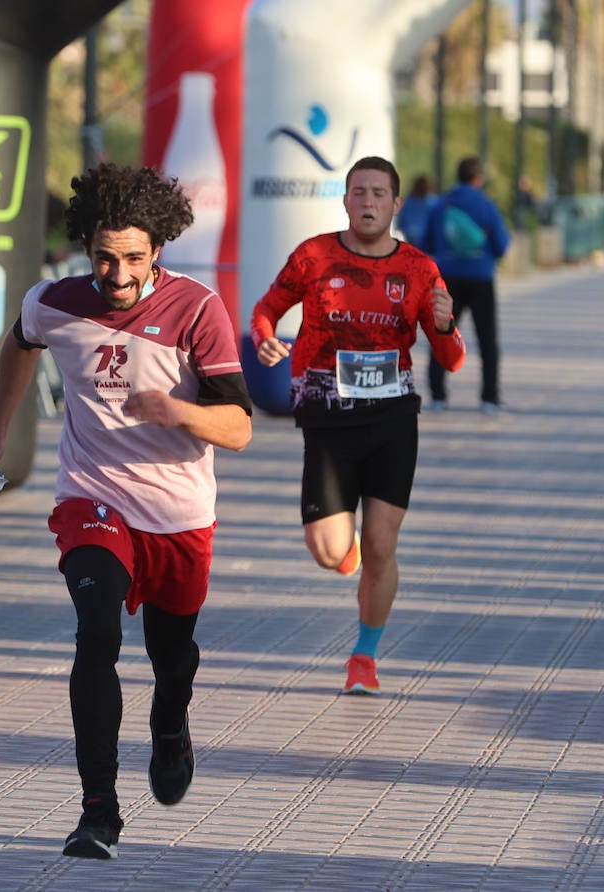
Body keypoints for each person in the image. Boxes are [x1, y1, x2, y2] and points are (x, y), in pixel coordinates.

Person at [0, 164, 254, 860]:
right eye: (103, 255)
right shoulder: (55, 302)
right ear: (85, 245)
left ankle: (170, 723)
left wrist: (174, 409)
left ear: (158, 249)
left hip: (180, 513)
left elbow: (239, 428)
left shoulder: (196, 309)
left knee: (171, 658)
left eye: (132, 257)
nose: (117, 273)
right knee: (96, 634)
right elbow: (19, 342)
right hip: (92, 498)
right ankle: (98, 810)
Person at [251, 155, 466, 696]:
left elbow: (453, 358)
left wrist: (443, 324)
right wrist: (264, 339)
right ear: (345, 201)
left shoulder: (419, 269)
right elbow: (264, 311)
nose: (368, 202)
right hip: (327, 420)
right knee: (328, 550)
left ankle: (364, 657)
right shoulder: (314, 256)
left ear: (396, 204)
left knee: (382, 546)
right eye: (358, 192)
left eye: (379, 194)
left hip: (393, 419)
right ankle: (346, 555)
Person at [420, 156, 511, 412]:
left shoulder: (440, 205)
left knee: (443, 334)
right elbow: (502, 245)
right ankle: (489, 398)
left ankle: (438, 396)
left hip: (447, 278)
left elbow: (425, 243)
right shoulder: (487, 206)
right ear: (479, 178)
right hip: (481, 277)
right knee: (487, 339)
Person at [395, 174, 437, 249]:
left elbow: (400, 225)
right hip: (428, 241)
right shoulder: (434, 202)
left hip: (411, 239)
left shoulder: (407, 203)